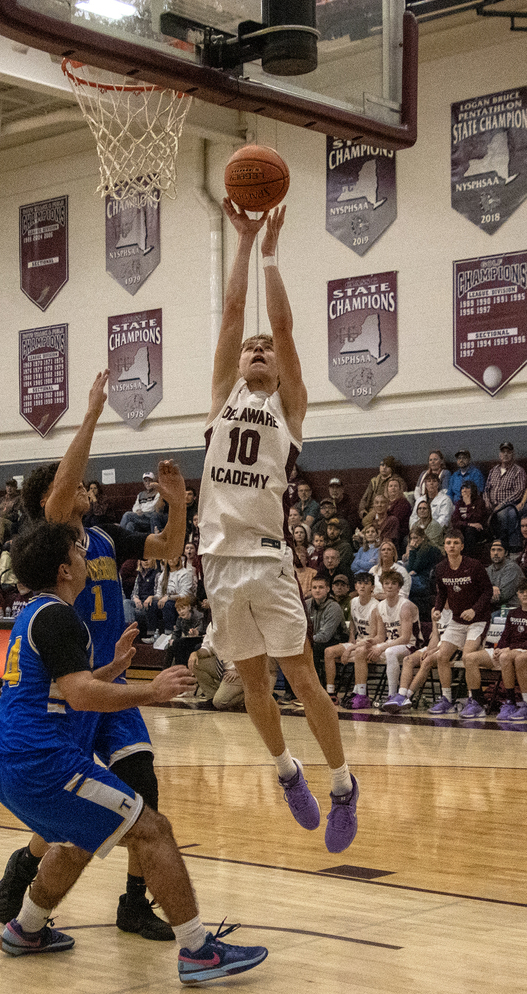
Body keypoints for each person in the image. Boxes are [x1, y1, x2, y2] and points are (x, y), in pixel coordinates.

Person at [0, 521, 267, 981]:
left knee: (77, 839)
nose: (86, 561)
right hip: (43, 764)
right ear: (64, 570)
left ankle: (27, 930)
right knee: (153, 829)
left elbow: (61, 685)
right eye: (78, 555)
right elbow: (79, 696)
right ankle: (198, 950)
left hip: (10, 766)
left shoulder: (34, 613)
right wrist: (150, 692)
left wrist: (114, 668)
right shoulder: (59, 617)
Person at [0, 371, 193, 941]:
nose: (88, 492)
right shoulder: (54, 538)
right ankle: (28, 870)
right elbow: (62, 488)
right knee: (77, 803)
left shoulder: (102, 539)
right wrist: (92, 415)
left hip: (110, 682)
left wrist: (177, 505)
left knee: (141, 787)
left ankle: (134, 902)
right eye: (79, 487)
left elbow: (170, 549)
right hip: (76, 691)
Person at [197, 201, 358, 853]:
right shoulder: (219, 400)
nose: (258, 348)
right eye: (250, 349)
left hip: (266, 560)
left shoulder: (289, 411)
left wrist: (269, 251)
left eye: (265, 349)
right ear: (238, 365)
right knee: (250, 682)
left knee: (302, 678)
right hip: (216, 560)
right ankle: (286, 772)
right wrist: (239, 241)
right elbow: (234, 316)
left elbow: (282, 325)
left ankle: (343, 785)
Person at [429, 528, 492, 715]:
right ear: (444, 546)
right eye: (448, 543)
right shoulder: (440, 568)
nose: (452, 546)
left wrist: (474, 610)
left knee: (467, 657)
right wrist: (438, 609)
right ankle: (447, 699)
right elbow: (442, 593)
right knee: (441, 656)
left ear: (462, 546)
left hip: (478, 620)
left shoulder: (474, 566)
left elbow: (488, 591)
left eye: (456, 543)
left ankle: (477, 701)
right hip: (457, 621)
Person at [354, 570, 421, 706]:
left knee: (391, 652)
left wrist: (382, 647)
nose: (389, 586)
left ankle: (392, 695)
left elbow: (405, 638)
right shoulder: (379, 606)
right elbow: (380, 636)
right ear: (382, 586)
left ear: (399, 587)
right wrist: (370, 642)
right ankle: (361, 695)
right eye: (387, 583)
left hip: (411, 646)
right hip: (391, 644)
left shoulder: (405, 606)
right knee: (361, 651)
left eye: (393, 583)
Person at [462, 581, 527, 720]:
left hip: (522, 651)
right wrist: (499, 648)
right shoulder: (513, 613)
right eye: (522, 592)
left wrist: (509, 649)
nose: (525, 594)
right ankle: (478, 702)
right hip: (507, 651)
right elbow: (505, 635)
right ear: (517, 594)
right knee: (470, 658)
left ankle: (516, 702)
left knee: (511, 657)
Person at [381, 608, 452, 712]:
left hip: (450, 648)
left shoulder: (457, 609)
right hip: (436, 647)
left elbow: (456, 639)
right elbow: (435, 636)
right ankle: (401, 695)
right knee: (408, 660)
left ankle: (407, 697)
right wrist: (429, 649)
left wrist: (433, 651)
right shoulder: (435, 610)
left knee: (427, 661)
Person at [324, 572, 378, 706]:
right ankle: (331, 693)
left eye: (366, 583)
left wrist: (350, 649)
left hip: (371, 644)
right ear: (355, 586)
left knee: (358, 653)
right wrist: (351, 637)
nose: (362, 586)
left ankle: (360, 693)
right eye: (359, 583)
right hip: (357, 642)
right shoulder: (353, 601)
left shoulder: (376, 606)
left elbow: (373, 637)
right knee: (329, 652)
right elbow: (353, 622)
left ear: (372, 587)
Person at [483, 441, 527, 552]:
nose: (506, 454)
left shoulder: (518, 471)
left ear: (513, 454)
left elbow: (519, 491)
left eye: (508, 452)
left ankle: (511, 546)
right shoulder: (493, 471)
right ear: (500, 455)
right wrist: (487, 500)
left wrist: (502, 504)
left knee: (507, 513)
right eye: (503, 452)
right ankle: (495, 543)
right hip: (492, 504)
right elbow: (486, 489)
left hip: (510, 504)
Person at [305, 577, 347, 684]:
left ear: (328, 589)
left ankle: (316, 687)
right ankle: (290, 692)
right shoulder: (306, 604)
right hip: (314, 640)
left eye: (321, 587)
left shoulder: (334, 607)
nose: (317, 590)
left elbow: (325, 636)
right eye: (314, 587)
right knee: (293, 649)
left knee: (313, 649)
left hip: (335, 641)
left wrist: (305, 640)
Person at [400, 525, 441, 619]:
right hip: (417, 577)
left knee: (402, 582)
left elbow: (414, 567)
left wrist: (412, 550)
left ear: (422, 538)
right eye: (411, 538)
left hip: (425, 580)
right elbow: (411, 569)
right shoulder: (419, 549)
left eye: (416, 538)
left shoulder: (428, 549)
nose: (413, 541)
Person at [450, 480, 488, 557]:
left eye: (467, 487)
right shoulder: (459, 503)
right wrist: (468, 524)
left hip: (478, 531)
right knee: (455, 532)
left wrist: (468, 505)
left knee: (469, 531)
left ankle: (468, 558)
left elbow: (477, 519)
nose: (464, 490)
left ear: (473, 489)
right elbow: (455, 521)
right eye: (462, 488)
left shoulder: (479, 502)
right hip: (464, 528)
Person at [486, 539, 525, 612]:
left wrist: (487, 591)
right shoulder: (489, 569)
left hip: (513, 609)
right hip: (496, 609)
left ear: (506, 553)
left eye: (499, 550)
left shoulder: (512, 568)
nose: (496, 553)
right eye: (493, 550)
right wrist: (492, 589)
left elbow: (503, 596)